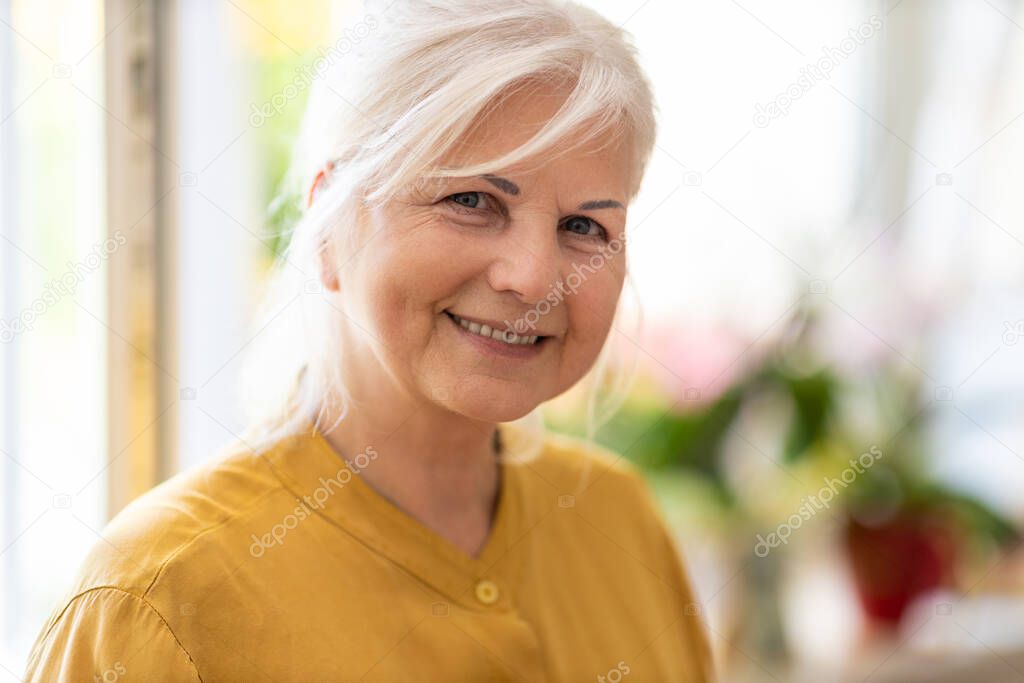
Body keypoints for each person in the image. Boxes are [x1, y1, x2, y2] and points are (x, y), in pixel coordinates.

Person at [25, 1, 712, 680]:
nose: (534, 279)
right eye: (471, 201)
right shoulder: (155, 602)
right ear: (329, 225)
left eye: (584, 227)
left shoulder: (621, 523)